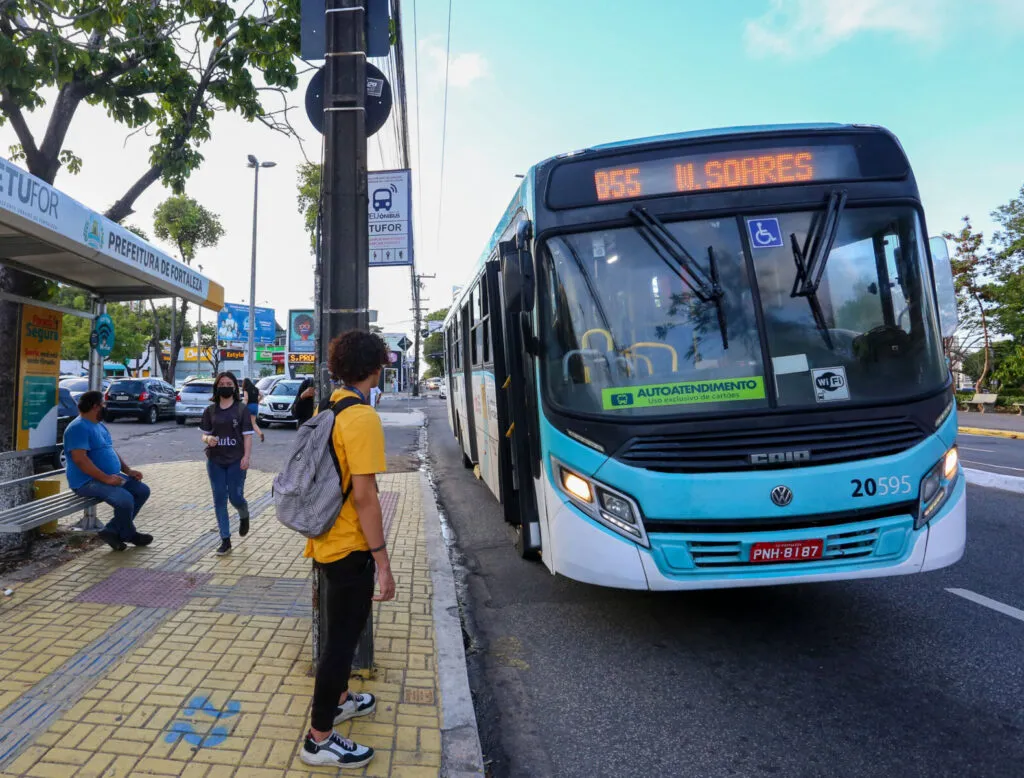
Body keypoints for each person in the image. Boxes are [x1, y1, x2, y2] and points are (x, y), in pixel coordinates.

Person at [300, 330, 395, 769]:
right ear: (375, 367)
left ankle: (339, 700)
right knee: (341, 641)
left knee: (342, 629)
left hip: (323, 539)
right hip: (350, 547)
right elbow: (365, 497)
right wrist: (383, 561)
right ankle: (319, 738)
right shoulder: (362, 418)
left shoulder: (330, 406)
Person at [64, 391, 152, 551]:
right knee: (125, 500)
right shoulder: (78, 428)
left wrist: (127, 470)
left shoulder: (98, 425)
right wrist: (106, 479)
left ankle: (111, 531)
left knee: (141, 490)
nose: (105, 406)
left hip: (109, 477)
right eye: (103, 404)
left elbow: (108, 450)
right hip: (86, 482)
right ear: (95, 406)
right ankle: (128, 534)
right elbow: (80, 459)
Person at [200, 372, 254, 556]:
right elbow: (204, 434)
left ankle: (244, 513)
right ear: (216, 387)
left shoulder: (241, 409)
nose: (225, 385)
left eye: (228, 383)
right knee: (219, 500)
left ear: (234, 387)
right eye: (221, 383)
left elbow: (247, 435)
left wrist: (246, 457)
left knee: (236, 498)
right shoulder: (210, 411)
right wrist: (208, 439)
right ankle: (225, 540)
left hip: (236, 461)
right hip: (215, 461)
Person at [242, 377, 265, 443]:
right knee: (253, 423)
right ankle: (260, 434)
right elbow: (262, 395)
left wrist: (243, 407)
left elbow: (246, 399)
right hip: (255, 406)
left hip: (249, 406)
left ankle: (244, 436)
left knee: (244, 421)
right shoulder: (256, 389)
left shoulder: (246, 389)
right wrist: (257, 401)